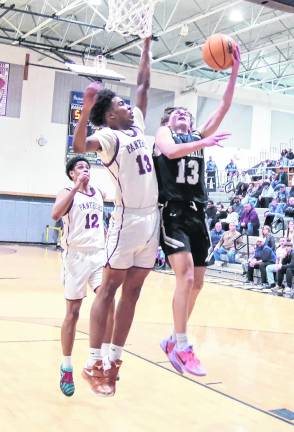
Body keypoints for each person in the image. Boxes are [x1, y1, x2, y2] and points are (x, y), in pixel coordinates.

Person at [73, 37, 160, 397]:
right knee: (109, 289)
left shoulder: (136, 126)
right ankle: (93, 360)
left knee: (134, 292)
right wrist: (87, 105)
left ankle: (114, 361)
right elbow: (80, 146)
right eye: (121, 104)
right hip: (125, 222)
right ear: (110, 115)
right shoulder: (108, 137)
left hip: (152, 219)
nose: (128, 105)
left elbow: (142, 85)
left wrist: (144, 50)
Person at [154, 45, 240, 376]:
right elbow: (171, 152)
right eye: (177, 113)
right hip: (172, 211)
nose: (183, 116)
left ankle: (172, 339)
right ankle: (184, 345)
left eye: (186, 115)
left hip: (197, 214)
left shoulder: (197, 135)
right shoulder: (164, 134)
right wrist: (203, 143)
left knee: (198, 283)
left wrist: (233, 69)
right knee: (185, 275)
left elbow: (225, 105)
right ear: (168, 120)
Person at [51, 156, 114, 397]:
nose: (85, 169)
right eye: (79, 167)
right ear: (71, 174)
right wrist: (76, 187)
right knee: (73, 313)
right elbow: (55, 214)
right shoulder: (67, 191)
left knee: (108, 301)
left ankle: (103, 359)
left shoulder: (98, 193)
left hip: (98, 255)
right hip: (75, 258)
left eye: (87, 167)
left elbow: (100, 224)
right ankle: (66, 366)